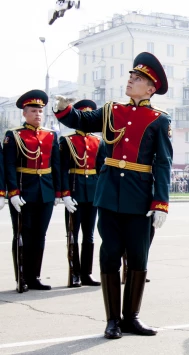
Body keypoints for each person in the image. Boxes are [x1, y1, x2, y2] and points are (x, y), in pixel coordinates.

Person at [54, 52, 172, 339]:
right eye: (131, 76)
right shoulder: (110, 110)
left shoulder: (159, 120)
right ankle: (112, 321)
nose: (131, 80)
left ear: (150, 88)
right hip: (108, 196)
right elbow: (82, 119)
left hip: (139, 198)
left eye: (138, 78)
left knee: (138, 258)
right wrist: (64, 110)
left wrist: (161, 203)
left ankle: (131, 317)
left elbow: (162, 163)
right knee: (109, 256)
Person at [4, 90, 61, 292]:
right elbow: (9, 165)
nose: (38, 114)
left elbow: (56, 166)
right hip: (24, 191)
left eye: (40, 111)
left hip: (45, 191)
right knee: (21, 234)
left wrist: (59, 192)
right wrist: (13, 192)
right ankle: (21, 277)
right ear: (24, 113)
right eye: (33, 111)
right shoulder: (14, 135)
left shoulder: (50, 135)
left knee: (39, 236)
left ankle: (34, 276)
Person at [59, 99, 106, 287]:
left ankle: (87, 272)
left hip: (92, 192)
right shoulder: (67, 141)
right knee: (73, 234)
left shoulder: (98, 142)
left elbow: (101, 169)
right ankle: (74, 273)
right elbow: (62, 169)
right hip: (75, 189)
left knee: (89, 235)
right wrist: (65, 193)